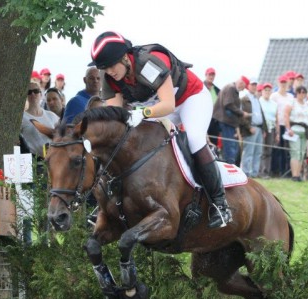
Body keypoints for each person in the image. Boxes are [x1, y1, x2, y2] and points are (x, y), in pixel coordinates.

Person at [89, 31, 232, 228]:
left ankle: (220, 204)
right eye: (103, 67)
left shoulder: (148, 64)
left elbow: (168, 105)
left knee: (194, 139)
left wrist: (142, 112)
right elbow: (115, 115)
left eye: (111, 65)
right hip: (158, 108)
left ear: (124, 57)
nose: (109, 71)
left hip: (190, 99)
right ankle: (109, 201)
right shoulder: (110, 77)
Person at [212, 76, 251, 166]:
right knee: (229, 146)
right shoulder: (231, 88)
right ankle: (229, 165)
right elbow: (228, 104)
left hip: (228, 122)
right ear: (241, 83)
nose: (242, 90)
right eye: (243, 87)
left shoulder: (231, 88)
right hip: (226, 121)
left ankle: (229, 164)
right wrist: (242, 113)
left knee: (231, 146)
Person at [20, 81, 60, 166]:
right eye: (29, 92)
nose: (33, 94)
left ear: (41, 94)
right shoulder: (21, 118)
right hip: (33, 163)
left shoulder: (52, 116)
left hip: (53, 162)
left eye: (36, 91)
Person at [284, 86, 308, 182]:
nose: (302, 94)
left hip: (304, 130)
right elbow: (286, 115)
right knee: (295, 152)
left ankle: (298, 174)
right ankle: (294, 175)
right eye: (300, 92)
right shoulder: (292, 102)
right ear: (297, 93)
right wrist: (288, 129)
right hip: (294, 129)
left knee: (302, 153)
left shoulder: (307, 105)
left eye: (304, 92)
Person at [239, 78, 267, 178]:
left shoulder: (257, 99)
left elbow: (261, 115)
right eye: (252, 84)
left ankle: (254, 172)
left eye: (255, 85)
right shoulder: (244, 99)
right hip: (251, 128)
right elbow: (241, 116)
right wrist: (248, 127)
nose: (254, 86)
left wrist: (264, 129)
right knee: (249, 151)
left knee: (258, 152)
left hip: (259, 128)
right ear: (248, 86)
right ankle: (246, 172)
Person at [270, 74, 294, 176]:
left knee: (286, 149)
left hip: (288, 125)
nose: (283, 84)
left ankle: (285, 170)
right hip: (278, 124)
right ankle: (275, 170)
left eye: (285, 82)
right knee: (277, 147)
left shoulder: (290, 96)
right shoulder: (274, 96)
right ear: (278, 83)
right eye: (282, 82)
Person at [258, 82, 277, 178]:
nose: (267, 92)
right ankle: (260, 170)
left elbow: (276, 118)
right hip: (262, 128)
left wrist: (276, 132)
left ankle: (266, 171)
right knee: (261, 150)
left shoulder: (274, 104)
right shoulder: (259, 101)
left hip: (272, 128)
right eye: (265, 90)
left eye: (269, 90)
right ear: (262, 91)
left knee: (268, 151)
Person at [203, 67, 221, 148]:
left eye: (213, 75)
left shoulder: (218, 90)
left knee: (213, 141)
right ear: (206, 75)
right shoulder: (200, 86)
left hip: (214, 119)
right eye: (210, 75)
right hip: (202, 117)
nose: (211, 77)